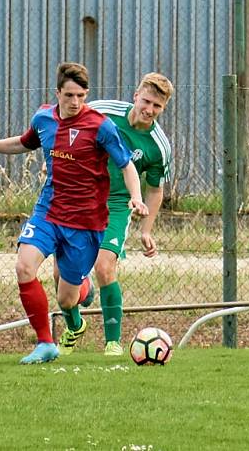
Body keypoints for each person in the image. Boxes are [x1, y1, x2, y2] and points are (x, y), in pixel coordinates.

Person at [0, 62, 148, 364]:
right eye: (69, 95)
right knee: (23, 267)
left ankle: (83, 291)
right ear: (57, 92)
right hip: (49, 211)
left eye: (81, 96)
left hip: (85, 223)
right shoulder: (44, 118)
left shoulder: (100, 126)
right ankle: (46, 342)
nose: (75, 102)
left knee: (66, 298)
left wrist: (136, 197)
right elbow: (23, 143)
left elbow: (126, 165)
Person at [53, 72, 174, 356]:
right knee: (60, 274)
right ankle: (74, 327)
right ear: (135, 96)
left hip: (116, 205)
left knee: (105, 267)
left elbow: (155, 190)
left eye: (157, 107)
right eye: (146, 101)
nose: (149, 110)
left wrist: (146, 229)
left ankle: (113, 343)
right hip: (78, 198)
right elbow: (72, 128)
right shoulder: (102, 111)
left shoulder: (159, 146)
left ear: (163, 109)